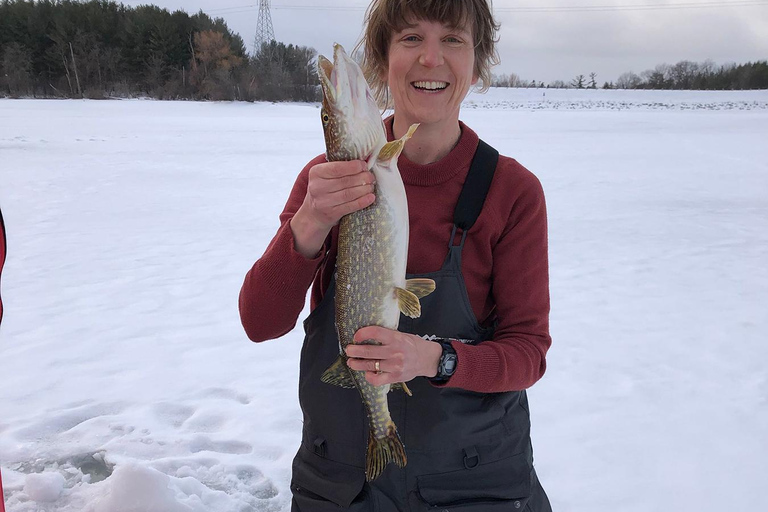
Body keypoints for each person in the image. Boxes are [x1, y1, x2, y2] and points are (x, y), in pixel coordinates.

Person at [239, 0, 552, 510]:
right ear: (383, 61)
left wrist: (433, 356)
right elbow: (260, 321)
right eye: (410, 38)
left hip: (475, 485)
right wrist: (311, 221)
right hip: (341, 483)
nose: (431, 58)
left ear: (478, 61)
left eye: (452, 38)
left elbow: (528, 351)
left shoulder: (511, 192)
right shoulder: (328, 180)